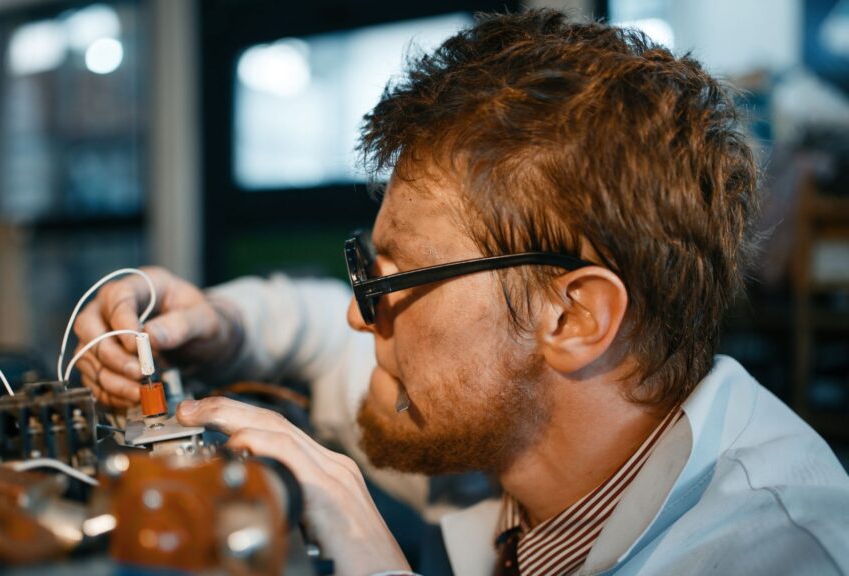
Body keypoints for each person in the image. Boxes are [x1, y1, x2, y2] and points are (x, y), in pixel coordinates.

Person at [73, 9, 849, 576]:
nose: (357, 312)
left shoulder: (780, 554)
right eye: (364, 275)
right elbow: (309, 325)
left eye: (391, 279)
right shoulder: (519, 414)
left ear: (574, 316)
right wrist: (225, 326)